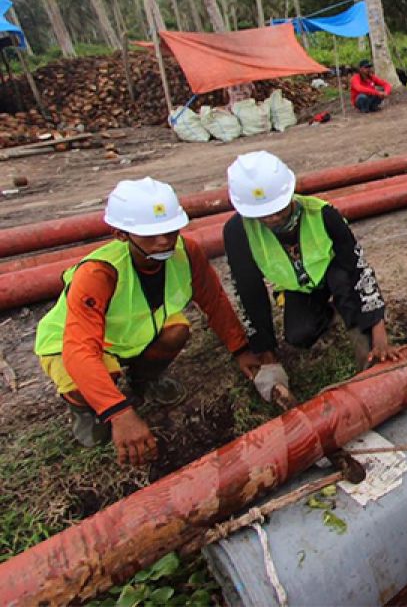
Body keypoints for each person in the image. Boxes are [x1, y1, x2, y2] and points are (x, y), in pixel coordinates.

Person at [34, 178, 263, 465]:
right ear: (121, 234)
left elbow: (214, 300)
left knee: (177, 330)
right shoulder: (98, 273)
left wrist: (241, 349)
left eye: (170, 230)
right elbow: (79, 349)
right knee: (91, 380)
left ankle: (143, 380)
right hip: (70, 345)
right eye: (151, 234)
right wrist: (120, 414)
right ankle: (84, 408)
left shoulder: (185, 252)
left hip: (131, 333)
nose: (164, 241)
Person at [223, 152, 402, 388]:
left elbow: (359, 269)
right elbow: (249, 291)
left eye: (279, 209)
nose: (274, 218)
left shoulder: (323, 214)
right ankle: (327, 311)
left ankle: (359, 330)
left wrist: (379, 334)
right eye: (264, 215)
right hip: (299, 287)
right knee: (299, 335)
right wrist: (266, 355)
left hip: (337, 276)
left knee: (344, 285)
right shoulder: (238, 231)